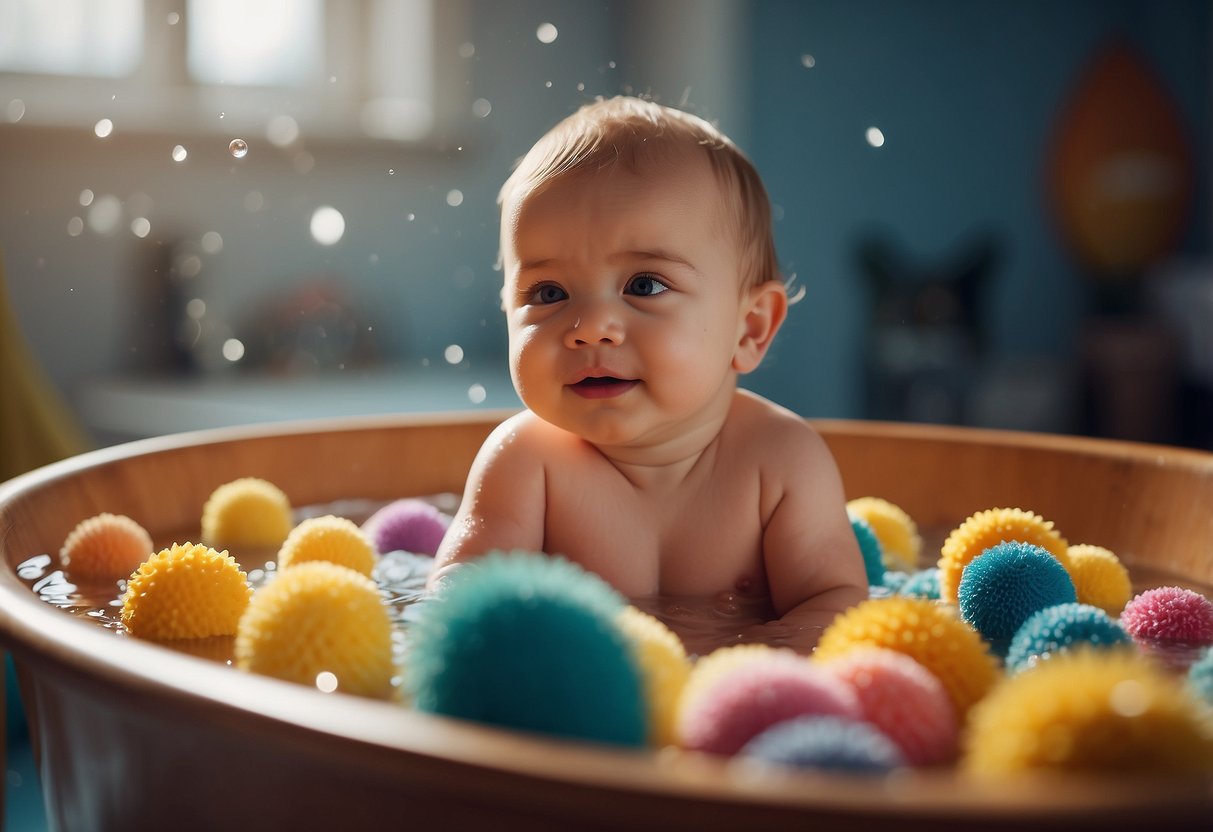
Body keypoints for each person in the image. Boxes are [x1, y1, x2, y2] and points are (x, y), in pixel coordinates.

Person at [429, 96, 867, 652]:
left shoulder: (781, 461)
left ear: (750, 327)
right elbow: (456, 604)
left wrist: (761, 664)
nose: (590, 328)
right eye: (548, 293)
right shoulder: (525, 462)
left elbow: (835, 604)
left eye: (644, 285)